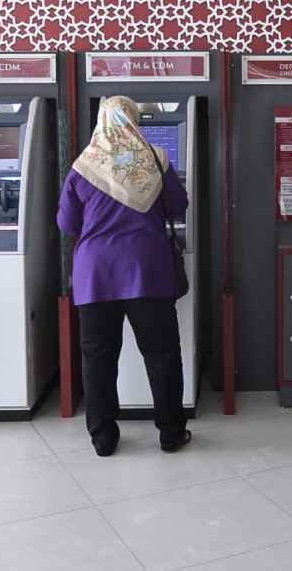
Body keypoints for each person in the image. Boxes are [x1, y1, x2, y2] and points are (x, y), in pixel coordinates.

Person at [57, 95, 191, 457]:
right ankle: (171, 433)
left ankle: (103, 437)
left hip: (95, 275)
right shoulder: (156, 159)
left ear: (102, 119)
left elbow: (66, 223)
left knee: (98, 357)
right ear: (133, 119)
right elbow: (179, 205)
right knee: (162, 354)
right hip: (147, 271)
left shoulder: (84, 166)